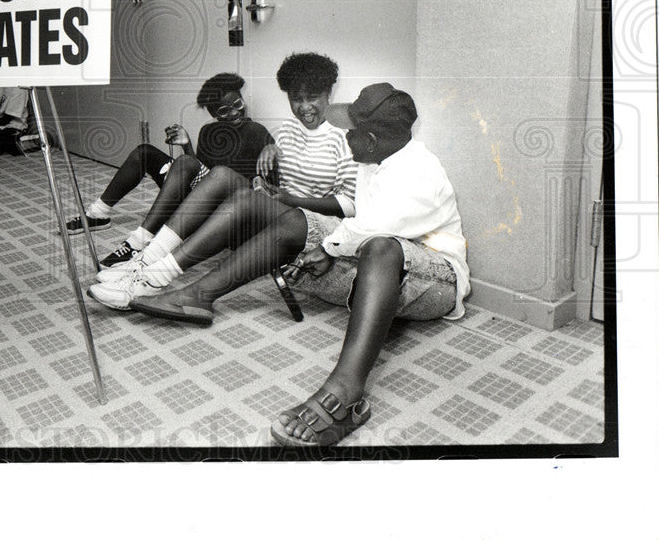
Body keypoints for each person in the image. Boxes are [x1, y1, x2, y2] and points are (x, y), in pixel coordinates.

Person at [136, 83, 468, 448]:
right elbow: (358, 219)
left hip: (435, 280)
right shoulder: (375, 159)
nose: (345, 135)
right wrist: (314, 236)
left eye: (351, 131)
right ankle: (199, 294)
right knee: (286, 217)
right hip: (374, 263)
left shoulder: (420, 172)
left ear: (371, 139)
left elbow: (377, 229)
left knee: (381, 249)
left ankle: (346, 394)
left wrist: (327, 249)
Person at [88, 52, 357, 310]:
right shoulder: (286, 131)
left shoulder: (343, 139)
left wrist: (290, 199)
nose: (304, 107)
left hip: (304, 224)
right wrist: (269, 154)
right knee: (221, 175)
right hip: (271, 215)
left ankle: (152, 278)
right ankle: (145, 260)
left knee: (236, 191)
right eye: (296, 99)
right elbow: (271, 179)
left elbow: (350, 204)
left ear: (328, 95)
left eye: (313, 98)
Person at [69, 73, 273, 268]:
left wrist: (270, 150)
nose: (235, 112)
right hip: (206, 199)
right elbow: (202, 174)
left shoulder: (255, 131)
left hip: (233, 207)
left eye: (238, 104)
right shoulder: (208, 131)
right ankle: (98, 213)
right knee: (146, 152)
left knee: (189, 165)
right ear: (214, 114)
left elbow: (262, 186)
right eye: (224, 111)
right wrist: (187, 145)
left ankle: (138, 242)